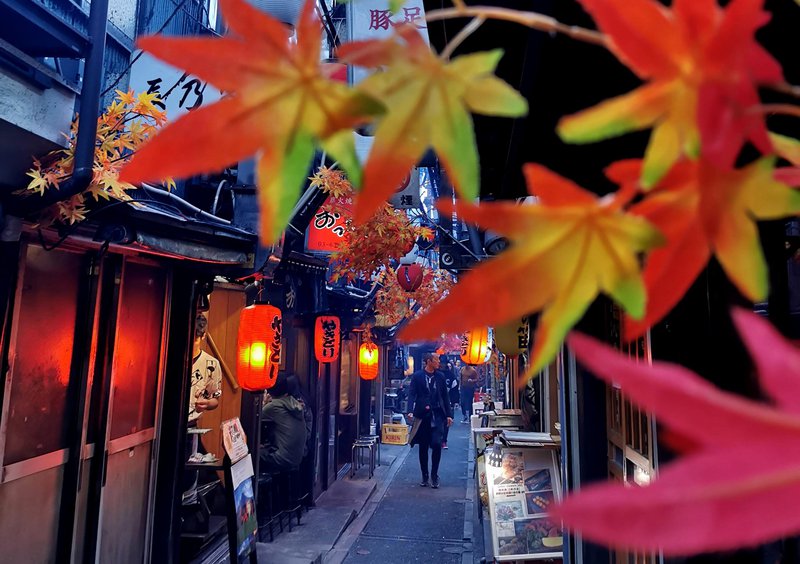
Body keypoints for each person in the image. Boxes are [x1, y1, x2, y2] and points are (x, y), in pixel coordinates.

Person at [407, 353, 453, 488]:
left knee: (437, 444)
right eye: (436, 360)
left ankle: (434, 474)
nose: (438, 362)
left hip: (437, 414)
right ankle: (425, 475)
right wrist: (409, 410)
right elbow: (412, 393)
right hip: (422, 415)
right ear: (428, 361)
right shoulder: (417, 376)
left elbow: (445, 396)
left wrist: (449, 415)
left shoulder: (440, 376)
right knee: (423, 446)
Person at [260, 372, 308, 474]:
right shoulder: (293, 402)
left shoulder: (273, 406)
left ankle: (254, 489)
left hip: (283, 459)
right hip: (298, 457)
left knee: (252, 454)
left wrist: (264, 402)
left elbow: (255, 418)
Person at [188, 313, 222, 424]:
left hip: (191, 423)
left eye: (195, 341)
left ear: (203, 336)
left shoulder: (212, 364)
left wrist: (206, 403)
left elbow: (215, 399)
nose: (190, 345)